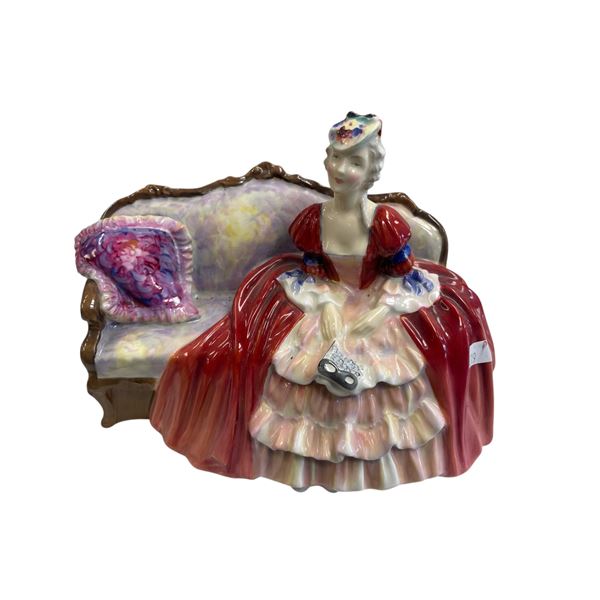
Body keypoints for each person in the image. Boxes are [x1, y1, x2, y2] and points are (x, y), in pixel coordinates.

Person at [150, 112, 494, 491]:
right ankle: (303, 464)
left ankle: (370, 464)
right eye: (335, 158)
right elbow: (312, 270)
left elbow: (402, 274)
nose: (340, 170)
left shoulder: (383, 222)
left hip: (375, 300)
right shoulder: (315, 220)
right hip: (325, 298)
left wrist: (382, 309)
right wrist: (327, 306)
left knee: (378, 371)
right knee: (306, 363)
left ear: (371, 172)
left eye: (354, 162)